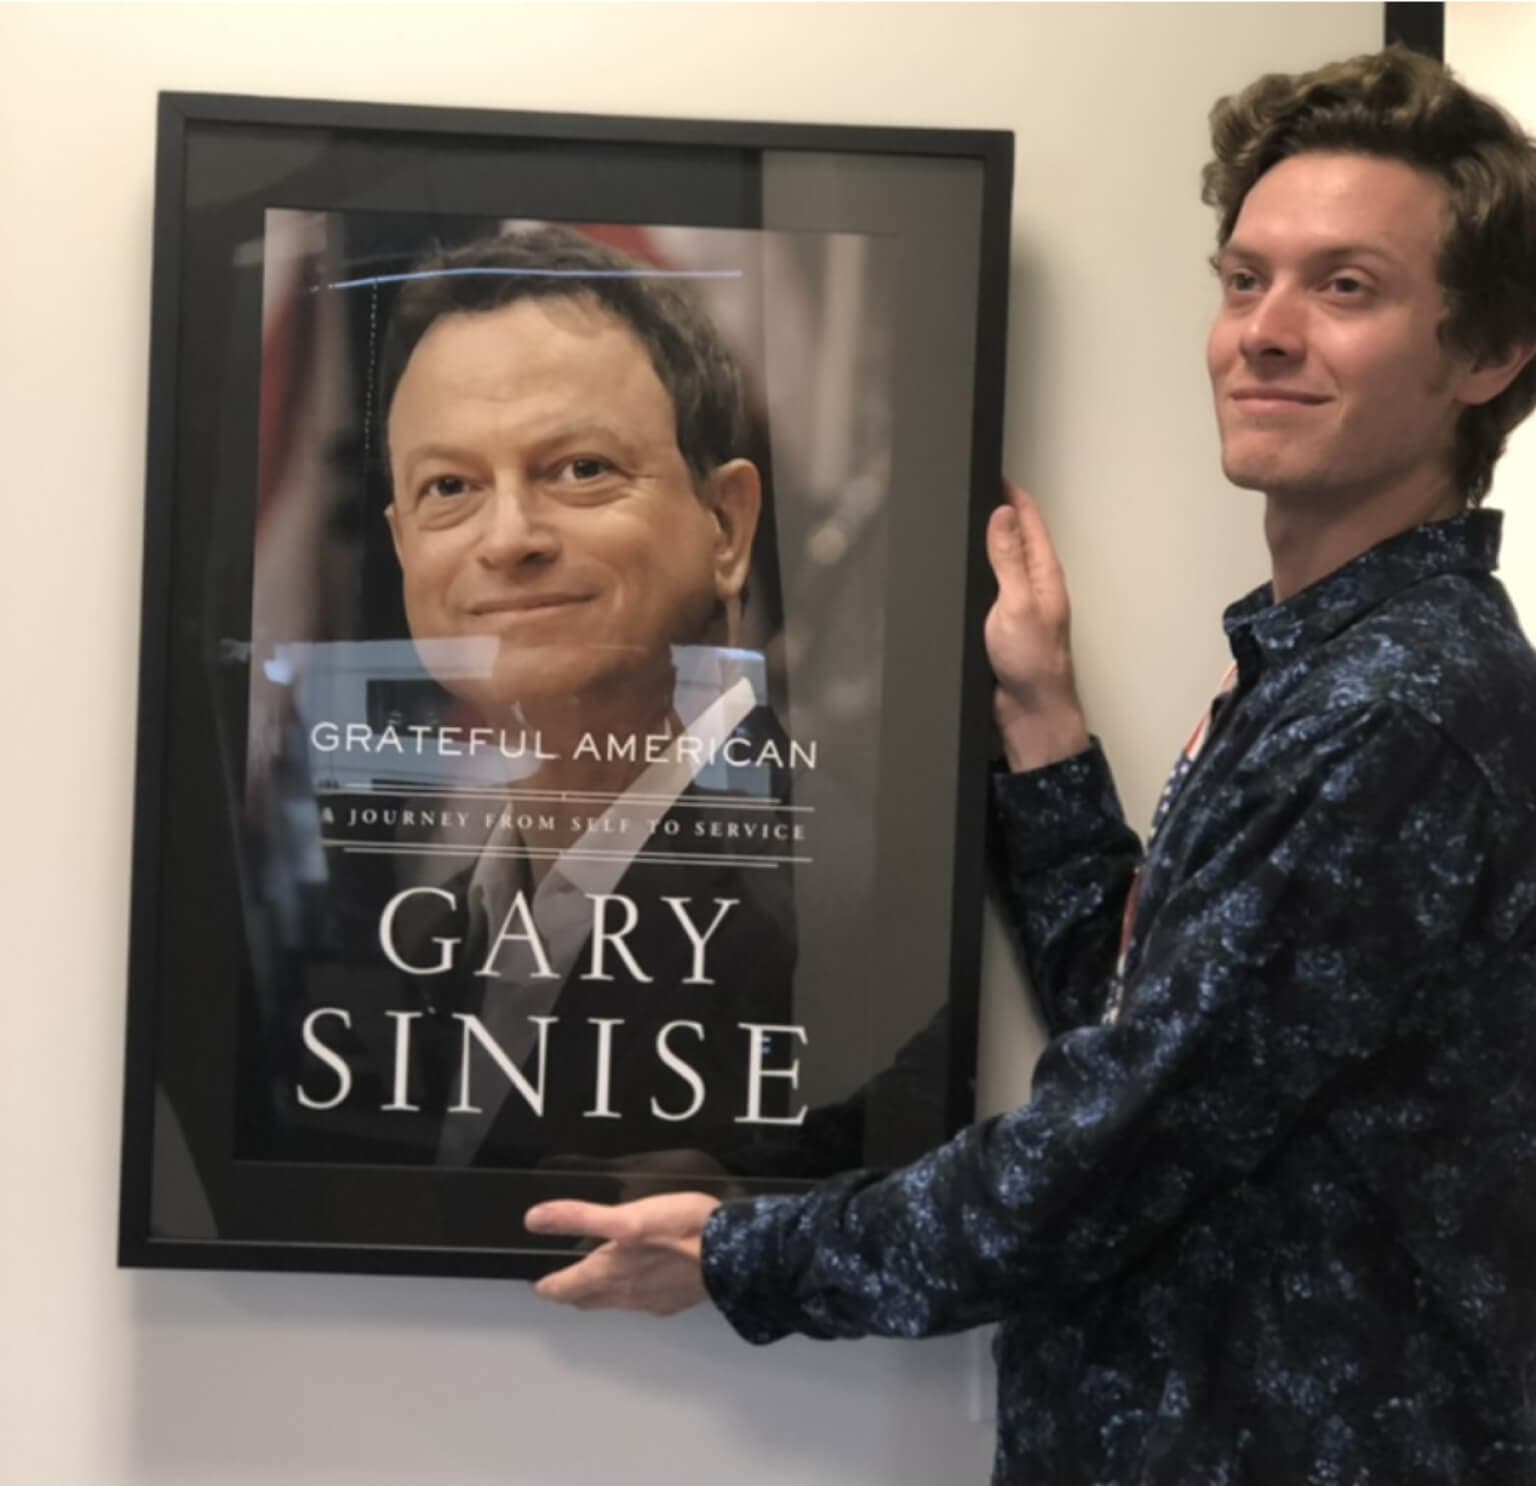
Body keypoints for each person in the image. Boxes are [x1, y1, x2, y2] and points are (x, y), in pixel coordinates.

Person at [524, 47, 1536, 1484]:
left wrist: (746, 1253)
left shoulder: (1397, 711)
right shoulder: (1323, 671)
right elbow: (1158, 1036)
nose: (1265, 331)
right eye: (1246, 278)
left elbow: (1099, 1157)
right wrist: (1044, 727)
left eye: (1346, 287)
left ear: (1491, 354)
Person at [281, 226, 802, 1167]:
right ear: (402, 548)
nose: (508, 537)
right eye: (450, 486)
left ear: (727, 526)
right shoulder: (430, 933)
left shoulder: (838, 908)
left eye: (581, 469)